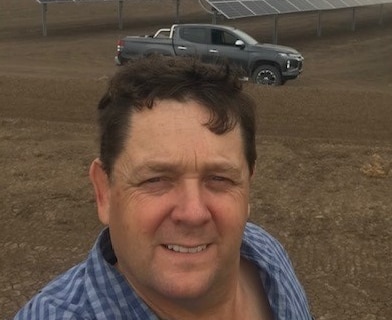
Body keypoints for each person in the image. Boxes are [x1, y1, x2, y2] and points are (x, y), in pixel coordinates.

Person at [15, 56, 313, 320]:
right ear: (104, 192)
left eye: (220, 179)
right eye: (155, 180)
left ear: (248, 187)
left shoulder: (267, 256)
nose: (193, 213)